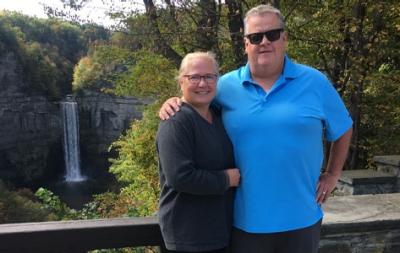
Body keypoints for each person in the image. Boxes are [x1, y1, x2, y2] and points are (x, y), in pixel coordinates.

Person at [158, 5, 353, 253]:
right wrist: (175, 102)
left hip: (302, 218)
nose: (264, 42)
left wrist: (333, 175)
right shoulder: (225, 86)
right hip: (244, 222)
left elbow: (344, 127)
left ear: (284, 37)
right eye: (255, 37)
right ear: (245, 43)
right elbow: (197, 105)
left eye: (272, 34)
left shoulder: (315, 82)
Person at [156, 51, 241, 253]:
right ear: (181, 81)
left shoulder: (219, 116)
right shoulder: (176, 121)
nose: (203, 84)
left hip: (218, 232)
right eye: (194, 77)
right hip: (189, 237)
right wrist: (225, 180)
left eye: (209, 77)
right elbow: (179, 177)